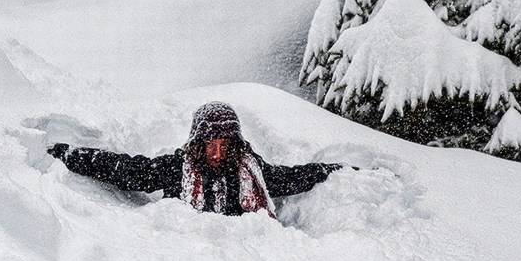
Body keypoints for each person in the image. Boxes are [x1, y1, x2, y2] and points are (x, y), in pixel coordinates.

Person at [47, 100, 349, 219]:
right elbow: (127, 169)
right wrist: (72, 155)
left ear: (235, 145)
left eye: (224, 145)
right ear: (196, 144)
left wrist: (335, 171)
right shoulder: (177, 169)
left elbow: (293, 177)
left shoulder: (253, 172)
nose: (217, 153)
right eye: (209, 145)